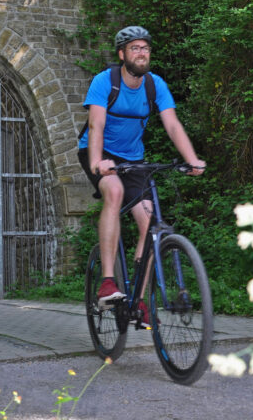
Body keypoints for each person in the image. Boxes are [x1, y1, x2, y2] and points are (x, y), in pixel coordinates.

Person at [78, 25, 205, 324]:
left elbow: (172, 125)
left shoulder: (155, 85)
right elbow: (95, 125)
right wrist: (98, 162)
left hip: (133, 159)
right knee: (115, 191)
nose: (141, 52)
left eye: (145, 48)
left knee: (150, 223)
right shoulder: (104, 82)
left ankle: (138, 298)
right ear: (122, 54)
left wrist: (192, 160)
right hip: (97, 153)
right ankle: (108, 282)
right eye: (134, 48)